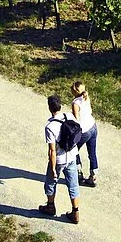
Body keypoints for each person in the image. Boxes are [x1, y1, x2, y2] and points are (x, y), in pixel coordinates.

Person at [38, 94, 81, 224]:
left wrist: (53, 168)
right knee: (73, 185)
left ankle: (50, 206)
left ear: (49, 108)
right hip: (72, 155)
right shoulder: (69, 116)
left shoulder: (50, 127)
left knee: (50, 182)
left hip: (59, 159)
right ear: (60, 105)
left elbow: (52, 150)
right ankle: (75, 212)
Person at [70, 80, 99, 187]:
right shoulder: (86, 97)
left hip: (84, 131)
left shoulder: (75, 103)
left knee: (73, 149)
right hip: (93, 127)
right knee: (92, 153)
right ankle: (93, 176)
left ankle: (78, 173)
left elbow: (76, 120)